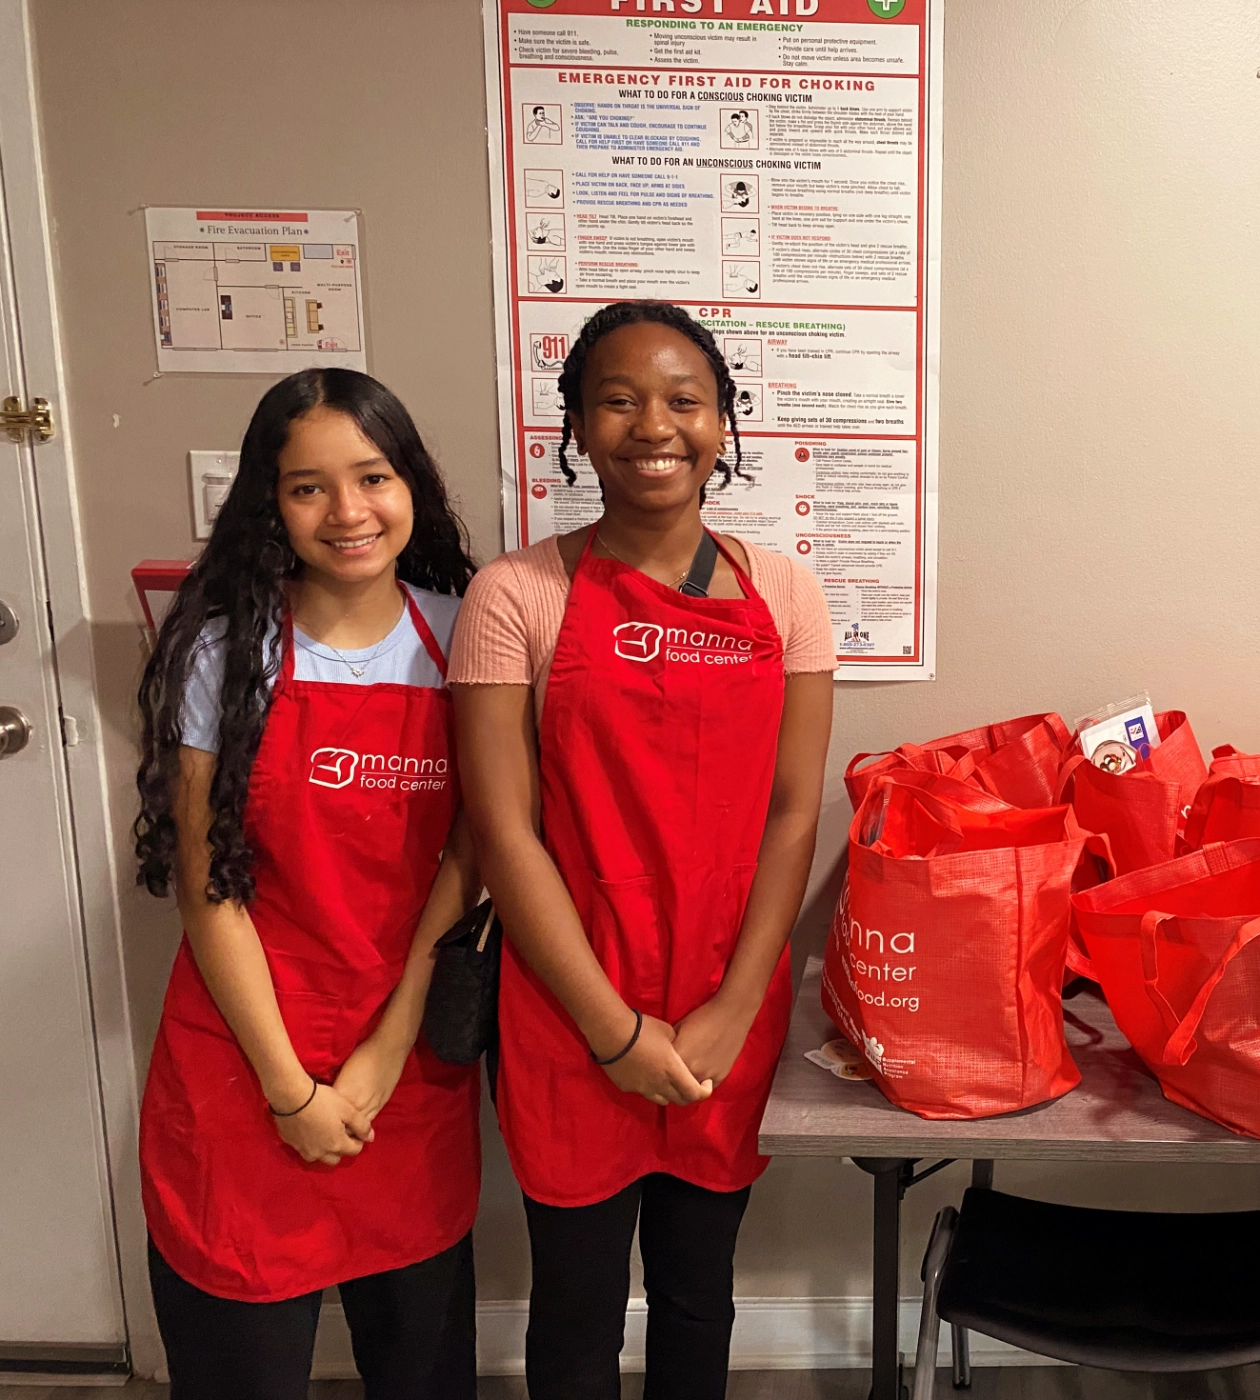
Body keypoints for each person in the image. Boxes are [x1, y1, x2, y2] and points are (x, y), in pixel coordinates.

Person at [451, 300, 835, 1400]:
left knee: (699, 1290)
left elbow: (793, 813)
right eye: (617, 400)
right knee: (573, 1306)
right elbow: (503, 830)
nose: (652, 425)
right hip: (569, 1009)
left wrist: (729, 1005)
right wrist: (610, 1027)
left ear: (724, 424)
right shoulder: (516, 595)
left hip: (728, 995)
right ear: (575, 424)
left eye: (683, 400)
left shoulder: (787, 592)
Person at [132, 370, 482, 1400]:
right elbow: (208, 895)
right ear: (268, 505)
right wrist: (291, 1090)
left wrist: (382, 1055)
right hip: (246, 1062)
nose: (348, 513)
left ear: (410, 483)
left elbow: (470, 858)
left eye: (372, 477)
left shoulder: (464, 634)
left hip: (404, 1066)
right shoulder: (222, 646)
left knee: (422, 1370)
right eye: (307, 488)